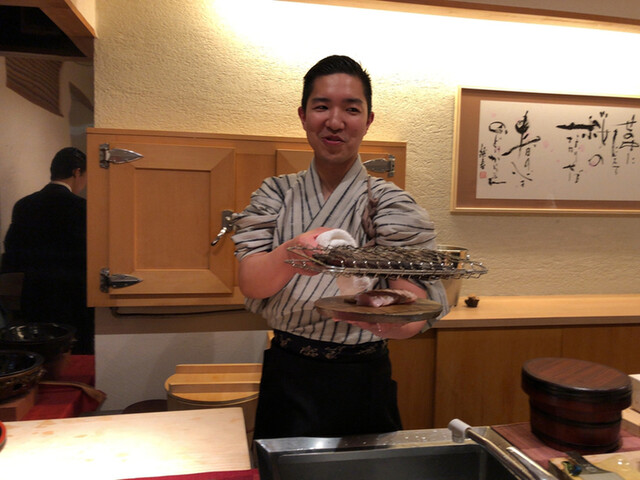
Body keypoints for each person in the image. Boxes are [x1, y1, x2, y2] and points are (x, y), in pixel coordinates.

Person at [232, 55, 449, 440]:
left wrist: (391, 321)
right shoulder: (275, 194)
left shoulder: (392, 205)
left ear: (368, 120)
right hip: (288, 370)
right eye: (322, 107)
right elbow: (251, 282)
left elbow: (415, 304)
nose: (335, 121)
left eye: (351, 109)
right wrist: (292, 252)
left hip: (363, 375)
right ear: (303, 116)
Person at [1, 147, 94, 354]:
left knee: (39, 350)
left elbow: (12, 246)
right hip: (74, 291)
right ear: (77, 172)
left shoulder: (24, 205)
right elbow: (91, 251)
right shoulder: (82, 207)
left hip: (35, 289)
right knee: (76, 351)